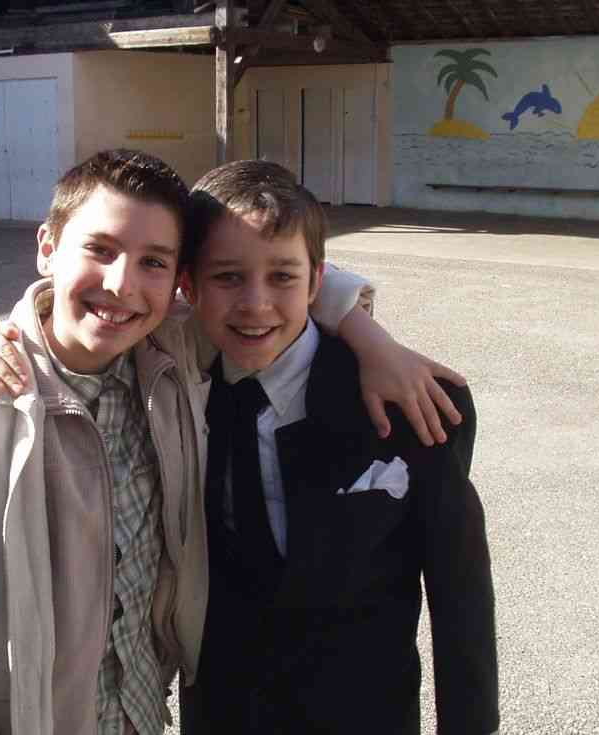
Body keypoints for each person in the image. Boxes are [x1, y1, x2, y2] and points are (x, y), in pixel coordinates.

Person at [0, 149, 464, 735]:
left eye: (152, 261)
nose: (121, 284)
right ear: (47, 248)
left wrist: (371, 337)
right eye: (100, 249)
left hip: (140, 713)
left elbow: (285, 279)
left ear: (177, 280)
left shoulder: (167, 355)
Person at [177, 160, 498, 735]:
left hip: (364, 711)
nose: (255, 304)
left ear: (316, 284)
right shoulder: (178, 390)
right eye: (227, 277)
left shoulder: (409, 401)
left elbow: (460, 592)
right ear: (190, 285)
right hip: (223, 711)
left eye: (283, 277)